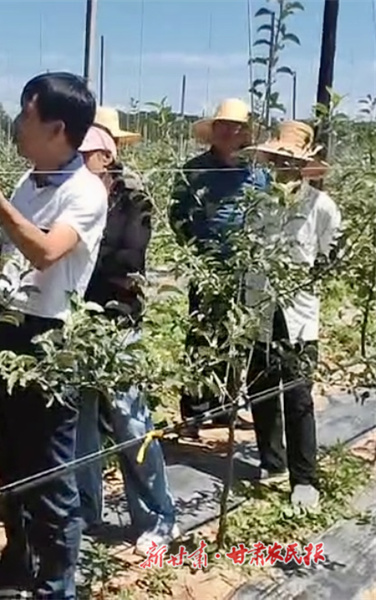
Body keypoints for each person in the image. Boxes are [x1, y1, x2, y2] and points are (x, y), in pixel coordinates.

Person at [0, 72, 107, 600]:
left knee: (51, 471)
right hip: (10, 327)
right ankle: (17, 565)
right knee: (11, 462)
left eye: (25, 114)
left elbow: (45, 252)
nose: (16, 124)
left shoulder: (85, 192)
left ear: (57, 128)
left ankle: (57, 587)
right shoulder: (28, 182)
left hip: (50, 340)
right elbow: (13, 256)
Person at [74, 107, 179, 555]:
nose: (79, 161)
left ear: (107, 154)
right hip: (76, 323)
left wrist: (75, 250)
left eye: (87, 153)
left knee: (132, 423)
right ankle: (86, 512)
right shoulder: (70, 193)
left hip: (118, 324)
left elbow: (128, 258)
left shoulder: (134, 198)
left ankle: (158, 518)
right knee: (81, 427)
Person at [243, 121, 341, 506]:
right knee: (261, 387)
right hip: (260, 309)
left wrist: (305, 279)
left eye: (289, 161)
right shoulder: (259, 203)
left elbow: (331, 255)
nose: (282, 167)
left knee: (298, 396)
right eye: (277, 160)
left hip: (299, 314)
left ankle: (305, 479)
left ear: (302, 166)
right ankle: (272, 462)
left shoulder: (321, 206)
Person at [168, 98, 269, 438]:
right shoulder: (195, 170)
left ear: (245, 133)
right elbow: (176, 214)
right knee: (201, 334)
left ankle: (227, 406)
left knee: (237, 336)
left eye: (236, 127)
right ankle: (195, 410)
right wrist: (195, 251)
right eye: (223, 125)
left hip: (246, 270)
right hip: (207, 268)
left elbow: (268, 213)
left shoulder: (257, 173)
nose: (229, 132)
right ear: (214, 130)